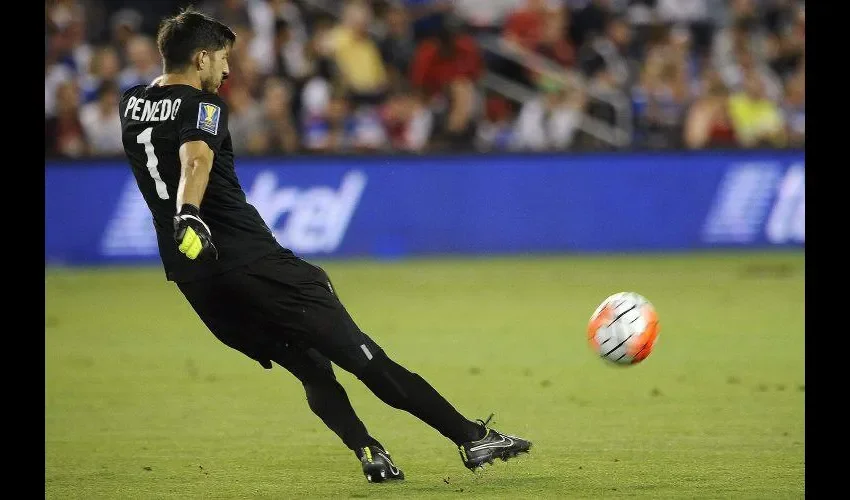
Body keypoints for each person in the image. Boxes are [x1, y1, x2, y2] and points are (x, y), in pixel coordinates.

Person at [118, 8, 531, 483]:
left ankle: (370, 452)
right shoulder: (203, 106)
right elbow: (196, 160)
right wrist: (189, 213)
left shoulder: (131, 103)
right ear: (201, 58)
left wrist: (182, 222)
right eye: (223, 58)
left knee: (310, 367)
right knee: (363, 357)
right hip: (253, 262)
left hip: (195, 279)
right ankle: (471, 437)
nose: (228, 70)